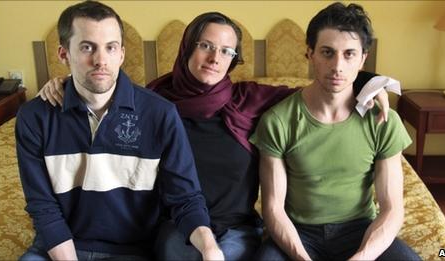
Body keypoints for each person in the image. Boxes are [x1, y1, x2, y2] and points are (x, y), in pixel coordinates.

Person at [38, 11, 391, 261]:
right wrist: (65, 83)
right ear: (188, 47)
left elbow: (323, 86)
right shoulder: (151, 102)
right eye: (206, 46)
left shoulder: (251, 100)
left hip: (236, 227)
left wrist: (368, 82)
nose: (214, 58)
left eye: (226, 51)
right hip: (173, 224)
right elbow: (100, 92)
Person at [16, 1, 223, 260]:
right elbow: (42, 206)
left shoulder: (160, 113)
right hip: (58, 247)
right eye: (87, 47)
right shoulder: (34, 117)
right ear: (63, 54)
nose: (101, 60)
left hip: (131, 251)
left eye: (110, 48)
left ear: (122, 54)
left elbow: (185, 197)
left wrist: (210, 247)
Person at [249, 2, 421, 260]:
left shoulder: (383, 120)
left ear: (363, 58)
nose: (337, 66)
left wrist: (361, 257)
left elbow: (392, 209)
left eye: (349, 54)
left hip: (360, 230)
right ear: (310, 54)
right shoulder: (278, 120)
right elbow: (273, 209)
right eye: (327, 52)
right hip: (298, 233)